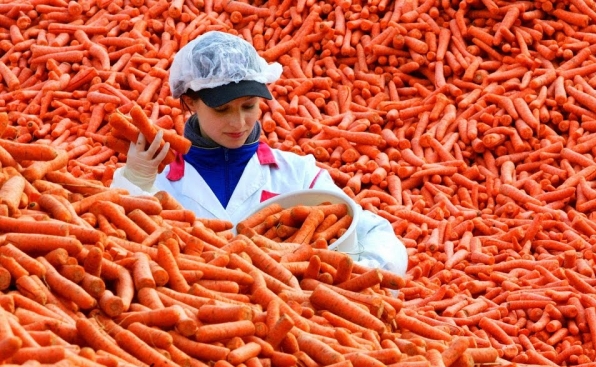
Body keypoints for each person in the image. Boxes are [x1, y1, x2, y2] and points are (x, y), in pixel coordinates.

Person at [111, 31, 408, 276]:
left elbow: (373, 229)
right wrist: (133, 182)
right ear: (190, 103)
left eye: (249, 105)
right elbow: (120, 249)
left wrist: (364, 272)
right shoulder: (162, 184)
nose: (238, 122)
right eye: (222, 109)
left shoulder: (298, 173)